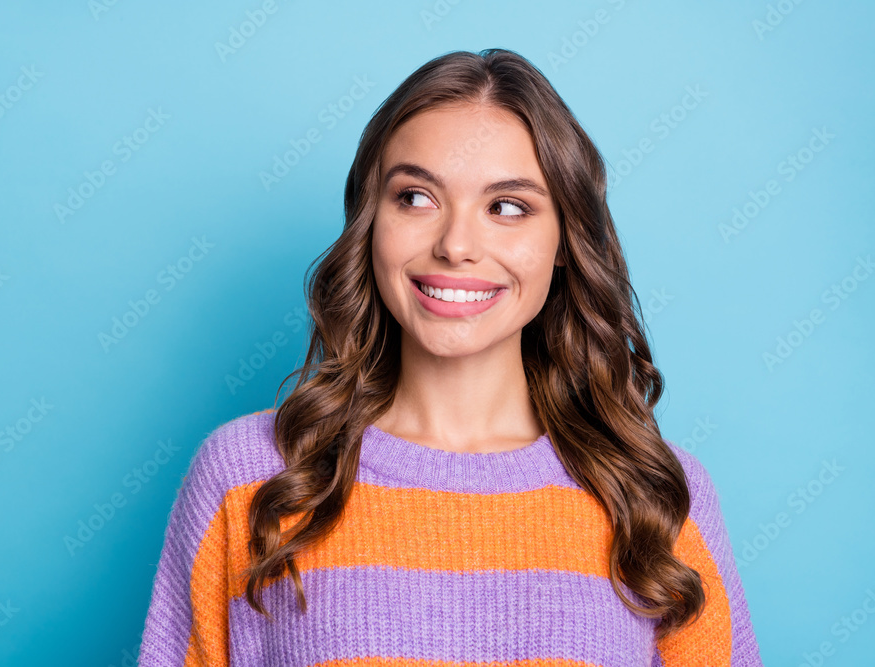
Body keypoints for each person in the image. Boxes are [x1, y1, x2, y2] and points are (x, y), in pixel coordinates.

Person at [138, 47, 764, 666]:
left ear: (566, 242)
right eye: (415, 197)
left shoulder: (653, 497)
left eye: (507, 207)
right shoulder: (249, 479)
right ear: (369, 221)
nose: (457, 245)